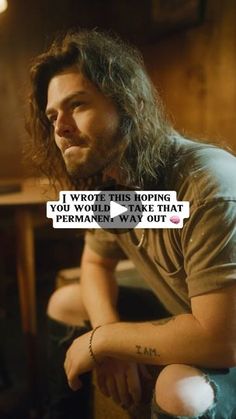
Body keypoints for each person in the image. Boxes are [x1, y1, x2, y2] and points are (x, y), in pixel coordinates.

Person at [27, 29, 236, 418]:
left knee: (181, 390)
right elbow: (94, 263)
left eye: (78, 105)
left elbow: (222, 340)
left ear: (131, 103)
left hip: (226, 340)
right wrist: (108, 335)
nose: (60, 127)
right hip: (192, 316)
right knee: (66, 301)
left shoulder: (211, 184)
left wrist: (103, 340)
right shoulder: (118, 184)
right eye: (53, 115)